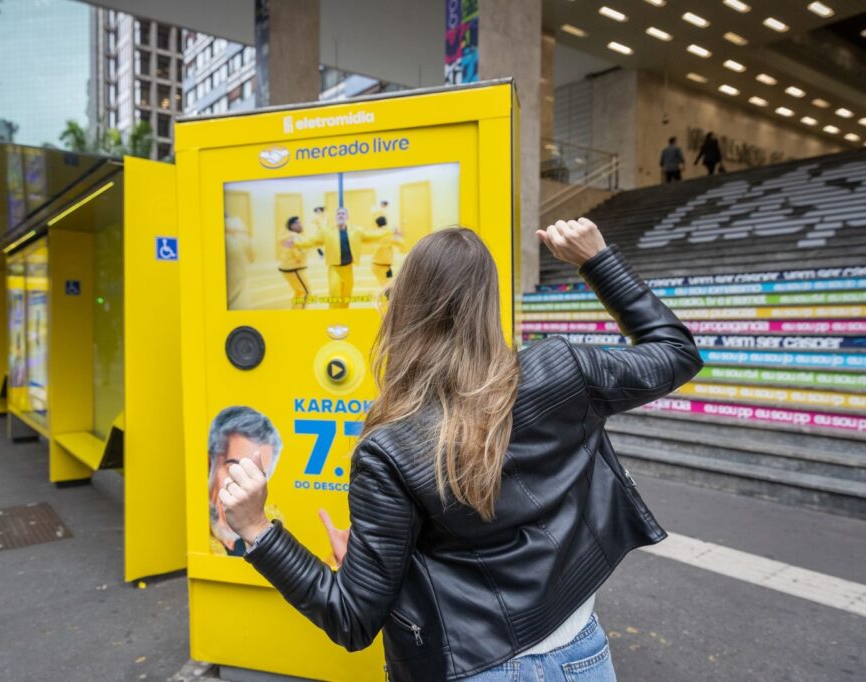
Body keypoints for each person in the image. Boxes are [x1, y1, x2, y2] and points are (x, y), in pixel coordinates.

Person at [218, 218, 703, 681]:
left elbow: (351, 617)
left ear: (403, 308)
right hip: (581, 656)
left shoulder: (389, 448)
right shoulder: (564, 369)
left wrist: (257, 528)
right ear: (487, 303)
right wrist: (597, 260)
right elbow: (677, 352)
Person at [207, 406, 283, 557]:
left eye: (258, 476)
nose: (247, 487)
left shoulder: (272, 525)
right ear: (209, 464)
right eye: (235, 468)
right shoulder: (197, 535)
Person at [287, 206, 385, 309]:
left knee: (346, 295)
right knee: (335, 294)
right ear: (335, 216)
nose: (341, 215)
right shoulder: (327, 231)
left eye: (343, 213)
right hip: (334, 269)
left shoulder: (356, 230)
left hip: (348, 268)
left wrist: (387, 232)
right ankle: (333, 317)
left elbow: (371, 236)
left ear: (347, 216)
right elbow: (312, 241)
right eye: (338, 213)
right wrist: (295, 243)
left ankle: (342, 316)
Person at [278, 216, 311, 309]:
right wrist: (308, 247)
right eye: (298, 223)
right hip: (294, 268)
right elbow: (298, 255)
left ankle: (294, 310)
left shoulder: (288, 235)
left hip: (288, 268)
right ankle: (299, 315)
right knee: (306, 292)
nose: (301, 225)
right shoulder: (295, 237)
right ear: (292, 226)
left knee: (299, 292)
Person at [369, 215, 404, 286]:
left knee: (388, 284)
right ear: (386, 223)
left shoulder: (375, 233)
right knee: (387, 286)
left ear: (377, 224)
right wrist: (399, 235)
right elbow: (401, 243)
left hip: (378, 265)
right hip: (382, 265)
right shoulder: (388, 234)